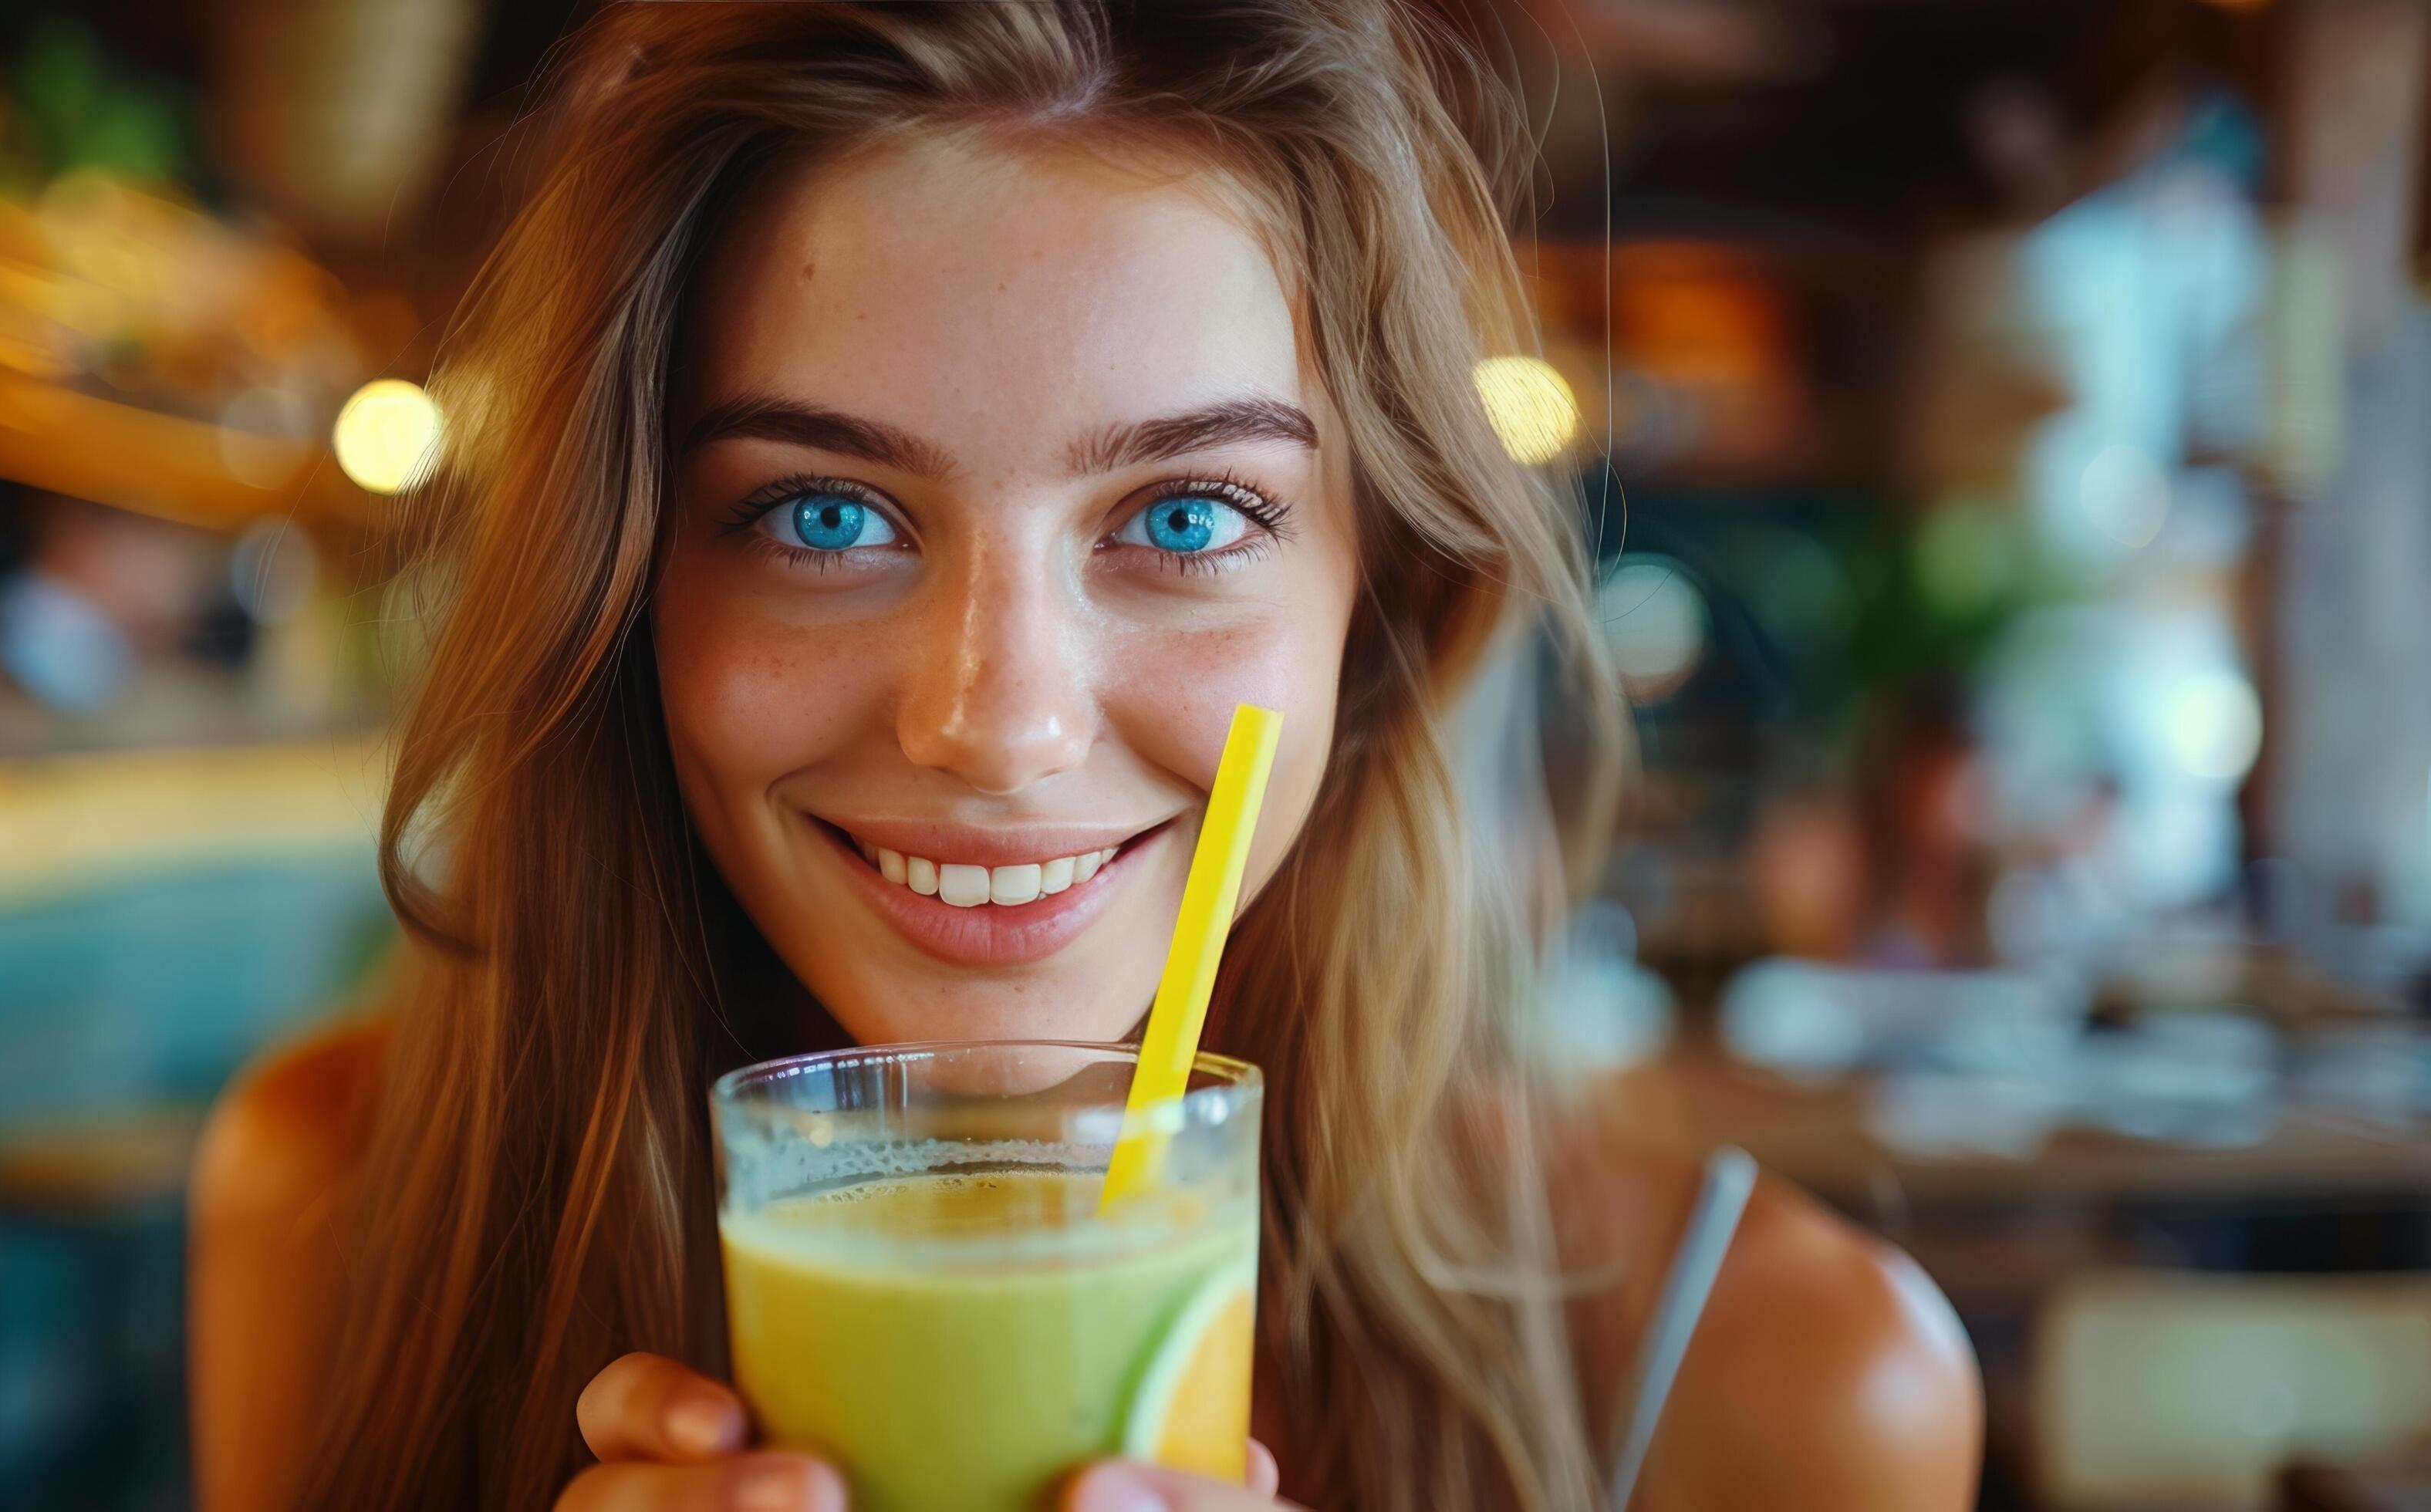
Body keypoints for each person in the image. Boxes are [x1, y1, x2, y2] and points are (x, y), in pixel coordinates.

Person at [191, 5, 1982, 1509]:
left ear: (1383, 597)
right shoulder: (336, 1206)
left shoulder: (1784, 1378)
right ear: (633, 579)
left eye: (1188, 512)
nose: (1000, 719)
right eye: (824, 511)